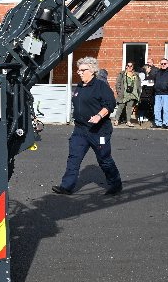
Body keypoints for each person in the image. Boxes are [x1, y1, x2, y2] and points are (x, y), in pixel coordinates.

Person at [52, 56, 122, 196]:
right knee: (74, 157)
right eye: (79, 70)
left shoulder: (101, 86)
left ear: (92, 71)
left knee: (104, 158)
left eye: (83, 70)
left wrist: (99, 116)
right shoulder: (79, 87)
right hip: (80, 130)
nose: (79, 72)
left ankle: (115, 184)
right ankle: (66, 186)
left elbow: (110, 104)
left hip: (99, 130)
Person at [150, 58, 168, 129]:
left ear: (167, 64)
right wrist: (155, 87)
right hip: (158, 93)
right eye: (162, 64)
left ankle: (165, 123)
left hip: (167, 94)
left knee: (166, 109)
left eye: (165, 63)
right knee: (156, 109)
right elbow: (155, 81)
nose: (163, 65)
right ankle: (158, 123)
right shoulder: (158, 72)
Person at [114, 62, 141, 126]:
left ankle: (128, 121)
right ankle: (116, 120)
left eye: (131, 66)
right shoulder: (122, 74)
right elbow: (118, 83)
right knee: (120, 107)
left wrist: (138, 92)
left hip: (132, 94)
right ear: (126, 66)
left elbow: (138, 85)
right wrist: (119, 92)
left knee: (129, 108)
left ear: (133, 67)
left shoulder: (135, 75)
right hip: (124, 94)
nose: (129, 67)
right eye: (128, 66)